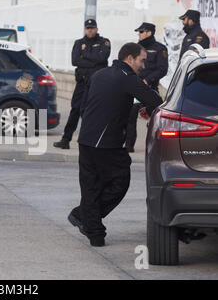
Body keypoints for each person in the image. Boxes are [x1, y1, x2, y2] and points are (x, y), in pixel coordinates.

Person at [67, 43, 163, 247]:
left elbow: (86, 105)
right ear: (130, 58)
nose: (143, 65)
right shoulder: (127, 78)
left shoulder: (100, 74)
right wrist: (143, 99)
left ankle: (94, 233)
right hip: (107, 143)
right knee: (120, 182)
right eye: (142, 60)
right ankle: (82, 216)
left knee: (91, 187)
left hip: (86, 139)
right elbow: (156, 100)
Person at [54, 19, 110, 150]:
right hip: (81, 82)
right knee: (75, 110)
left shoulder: (104, 42)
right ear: (85, 29)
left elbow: (103, 59)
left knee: (90, 111)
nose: (90, 30)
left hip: (96, 84)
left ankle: (88, 140)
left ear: (96, 29)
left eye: (92, 28)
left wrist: (85, 57)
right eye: (88, 28)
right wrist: (93, 61)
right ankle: (65, 139)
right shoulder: (79, 43)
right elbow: (75, 61)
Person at [125, 23, 168, 152]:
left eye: (141, 32)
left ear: (149, 33)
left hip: (150, 89)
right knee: (131, 116)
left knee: (156, 118)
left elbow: (162, 69)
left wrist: (147, 80)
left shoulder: (160, 49)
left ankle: (157, 146)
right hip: (136, 90)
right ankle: (128, 145)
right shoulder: (136, 48)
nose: (139, 34)